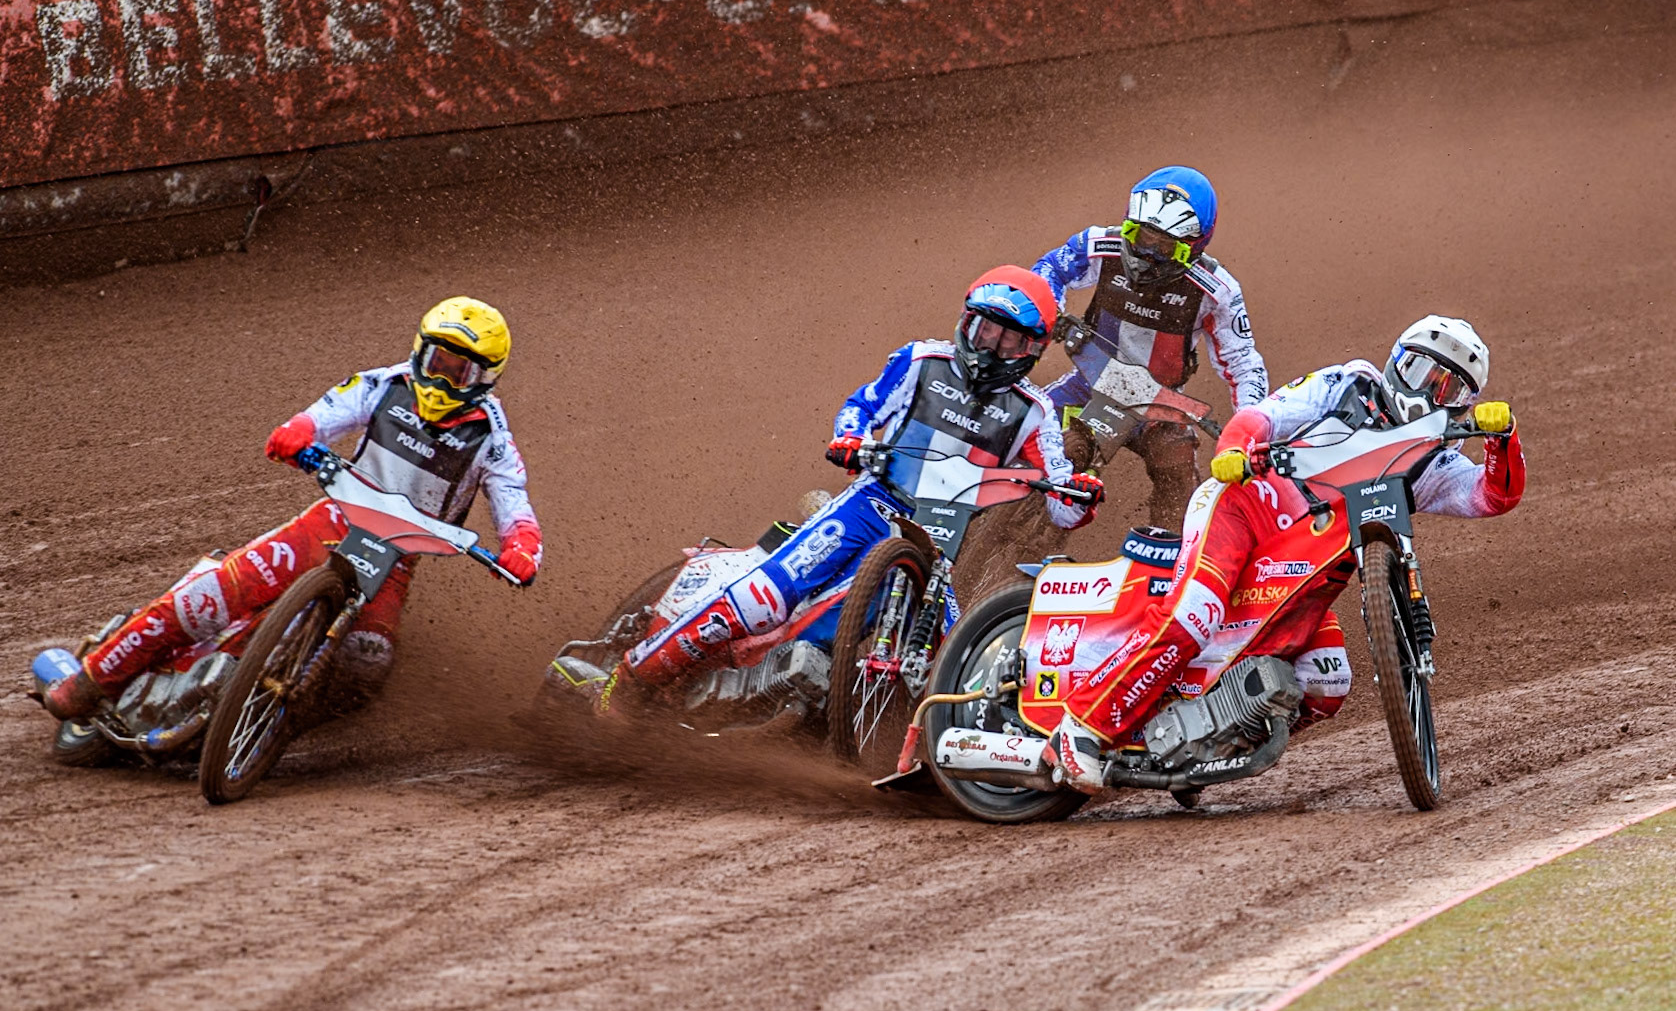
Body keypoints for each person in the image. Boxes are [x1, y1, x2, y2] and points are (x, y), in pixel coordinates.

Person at [1047, 315, 1526, 792]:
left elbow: (1492, 496)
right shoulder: (1349, 383)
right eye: (1425, 374)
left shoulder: (1434, 463)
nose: (1429, 396)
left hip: (1304, 575)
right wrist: (1235, 448)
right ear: (1399, 363)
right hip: (1244, 511)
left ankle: (1203, 750)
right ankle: (1081, 730)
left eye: (1449, 390)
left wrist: (1504, 440)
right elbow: (1265, 416)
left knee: (1328, 680)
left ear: (1466, 405)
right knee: (1195, 613)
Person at [590, 266, 1106, 700]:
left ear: (1032, 348)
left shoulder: (1035, 414)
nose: (990, 346)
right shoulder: (921, 361)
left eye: (1008, 337)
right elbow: (861, 407)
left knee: (960, 664)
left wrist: (1080, 496)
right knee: (757, 599)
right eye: (983, 330)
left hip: (937, 549)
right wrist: (850, 439)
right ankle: (626, 685)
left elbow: (1061, 499)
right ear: (965, 323)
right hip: (868, 507)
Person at [41, 296, 542, 721]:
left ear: (484, 376)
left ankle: (271, 726)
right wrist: (297, 432)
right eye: (437, 361)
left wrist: (521, 546)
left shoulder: (491, 439)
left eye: (460, 371)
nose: (443, 379)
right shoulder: (383, 384)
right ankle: (90, 681)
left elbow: (512, 500)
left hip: (395, 559)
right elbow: (325, 414)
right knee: (215, 594)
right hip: (331, 523)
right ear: (419, 352)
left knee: (369, 661)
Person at [1032, 165, 1268, 528]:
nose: (1149, 254)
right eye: (1143, 237)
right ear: (1129, 224)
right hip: (1086, 387)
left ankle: (1167, 564)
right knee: (1028, 441)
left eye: (1165, 246)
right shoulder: (1100, 245)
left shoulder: (1216, 290)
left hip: (1159, 408)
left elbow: (1243, 363)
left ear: (1195, 245)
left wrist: (1249, 426)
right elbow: (1049, 270)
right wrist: (1053, 313)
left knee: (1181, 488)